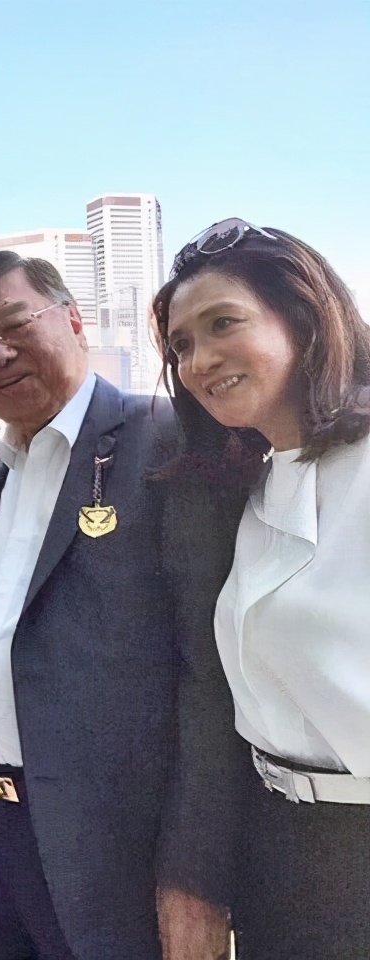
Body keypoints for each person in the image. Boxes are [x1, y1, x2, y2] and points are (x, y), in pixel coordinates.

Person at [0, 251, 247, 960]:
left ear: (74, 319)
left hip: (107, 852)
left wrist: (197, 876)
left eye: (16, 325)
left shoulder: (165, 440)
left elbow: (213, 676)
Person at [155, 220, 370, 959]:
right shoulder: (251, 489)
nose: (199, 361)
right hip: (279, 850)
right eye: (181, 345)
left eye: (224, 324)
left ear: (303, 320)